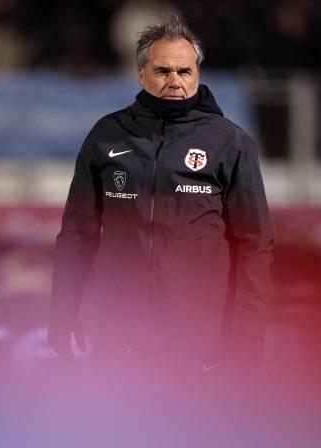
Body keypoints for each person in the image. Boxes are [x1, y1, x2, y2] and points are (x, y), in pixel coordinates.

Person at [48, 11, 273, 374]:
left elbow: (255, 246)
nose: (175, 81)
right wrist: (63, 311)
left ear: (197, 75)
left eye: (184, 72)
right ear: (140, 74)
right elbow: (77, 234)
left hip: (197, 338)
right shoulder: (107, 135)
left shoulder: (230, 144)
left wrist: (248, 337)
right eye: (163, 71)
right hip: (118, 333)